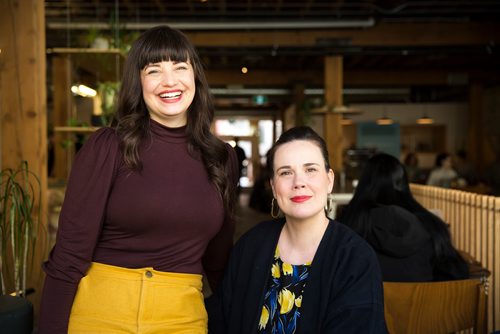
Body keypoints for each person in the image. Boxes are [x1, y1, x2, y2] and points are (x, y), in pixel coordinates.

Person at [39, 25, 239, 333]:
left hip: (182, 318)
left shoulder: (222, 157)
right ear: (139, 82)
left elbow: (219, 261)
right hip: (99, 315)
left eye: (180, 67)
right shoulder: (108, 146)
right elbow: (70, 253)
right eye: (154, 70)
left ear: (195, 77)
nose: (169, 81)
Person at [207, 126, 387, 333]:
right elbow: (220, 319)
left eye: (310, 170)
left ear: (329, 180)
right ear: (274, 187)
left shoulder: (354, 258)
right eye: (286, 172)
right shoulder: (251, 245)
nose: (298, 182)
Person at [338, 153, 469, 282]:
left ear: (364, 184)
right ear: (403, 184)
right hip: (426, 302)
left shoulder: (346, 225)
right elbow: (458, 274)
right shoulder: (432, 225)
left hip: (369, 302)